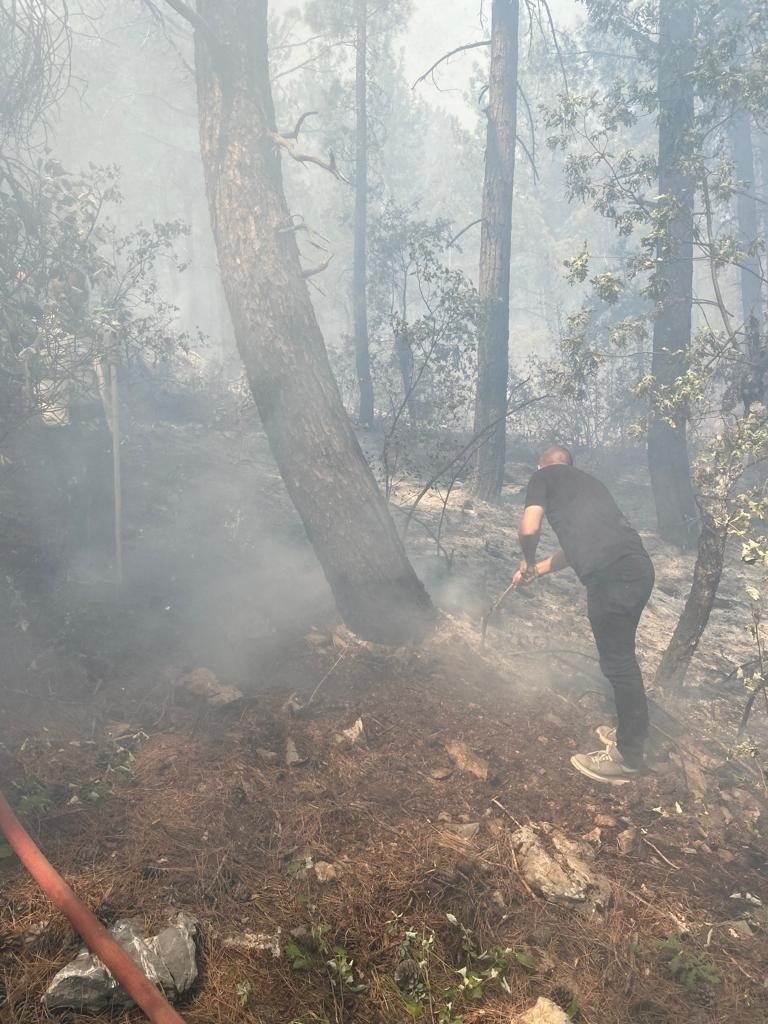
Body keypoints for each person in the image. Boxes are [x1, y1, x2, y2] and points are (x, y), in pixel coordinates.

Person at [513, 445, 655, 784]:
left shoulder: (542, 476)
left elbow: (529, 529)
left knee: (619, 664)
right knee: (623, 659)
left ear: (542, 464)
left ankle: (628, 758)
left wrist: (526, 559)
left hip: (610, 579)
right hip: (638, 568)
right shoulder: (591, 483)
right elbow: (581, 546)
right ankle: (629, 732)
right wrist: (539, 570)